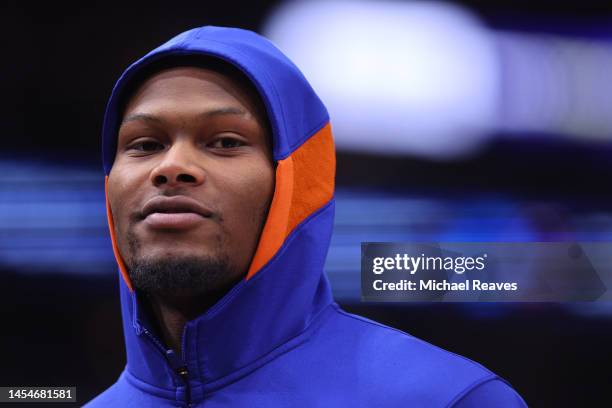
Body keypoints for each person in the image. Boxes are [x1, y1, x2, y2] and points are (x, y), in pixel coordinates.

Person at [86, 26, 527, 407]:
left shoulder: (449, 400)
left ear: (296, 183)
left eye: (224, 142)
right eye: (144, 144)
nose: (171, 167)